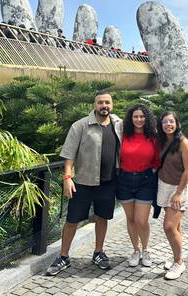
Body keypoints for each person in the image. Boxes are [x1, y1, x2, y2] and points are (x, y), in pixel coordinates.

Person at [46, 91, 123, 276]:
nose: (104, 105)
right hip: (83, 182)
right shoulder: (81, 125)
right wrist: (67, 177)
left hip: (109, 182)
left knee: (102, 218)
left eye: (107, 102)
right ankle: (63, 256)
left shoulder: (118, 124)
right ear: (94, 104)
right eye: (100, 102)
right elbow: (69, 154)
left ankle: (98, 252)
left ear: (111, 105)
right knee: (72, 220)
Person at [117, 104, 159, 267]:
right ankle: (136, 250)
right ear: (130, 118)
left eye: (142, 116)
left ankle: (146, 250)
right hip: (124, 180)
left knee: (141, 220)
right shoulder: (123, 135)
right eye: (135, 116)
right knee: (131, 219)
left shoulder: (153, 137)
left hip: (145, 180)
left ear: (147, 118)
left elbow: (158, 160)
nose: (139, 119)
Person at [157, 111, 188, 280]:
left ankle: (179, 262)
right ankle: (175, 256)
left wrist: (178, 193)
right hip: (164, 184)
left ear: (177, 123)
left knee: (169, 226)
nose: (168, 125)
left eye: (171, 122)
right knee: (176, 227)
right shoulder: (162, 141)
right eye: (165, 122)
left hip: (180, 188)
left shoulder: (182, 142)